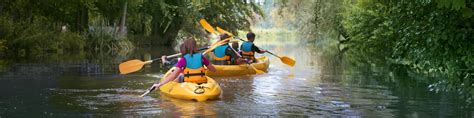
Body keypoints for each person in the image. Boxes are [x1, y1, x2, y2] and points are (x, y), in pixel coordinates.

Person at [151, 37, 216, 89]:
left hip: (188, 82)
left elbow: (174, 75)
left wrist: (160, 84)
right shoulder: (202, 57)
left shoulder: (183, 59)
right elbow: (213, 70)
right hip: (200, 82)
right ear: (195, 47)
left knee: (180, 75)